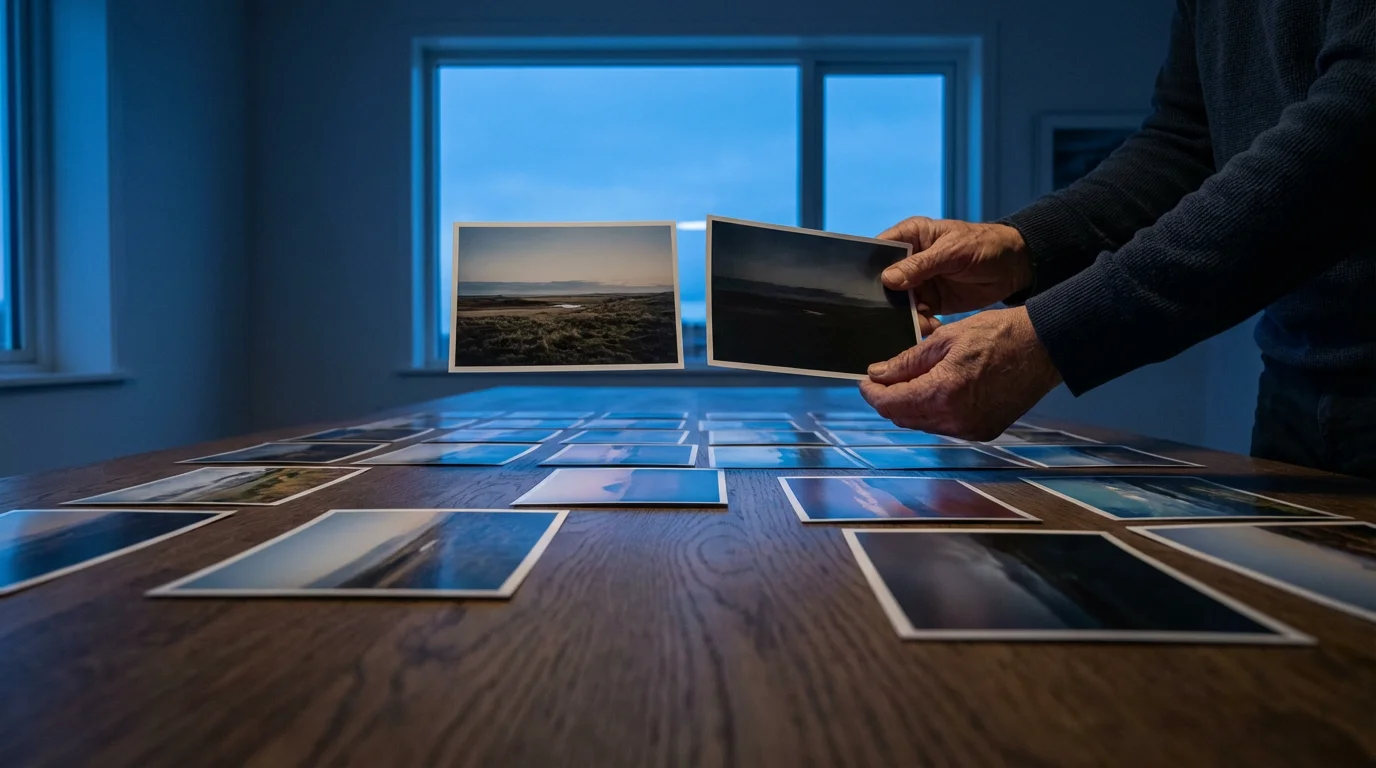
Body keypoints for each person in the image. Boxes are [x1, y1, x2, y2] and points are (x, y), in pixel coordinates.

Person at [859, 0, 1375, 479]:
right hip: (1294, 382)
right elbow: (1184, 144)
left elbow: (1355, 129)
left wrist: (1050, 334)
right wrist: (1022, 246)